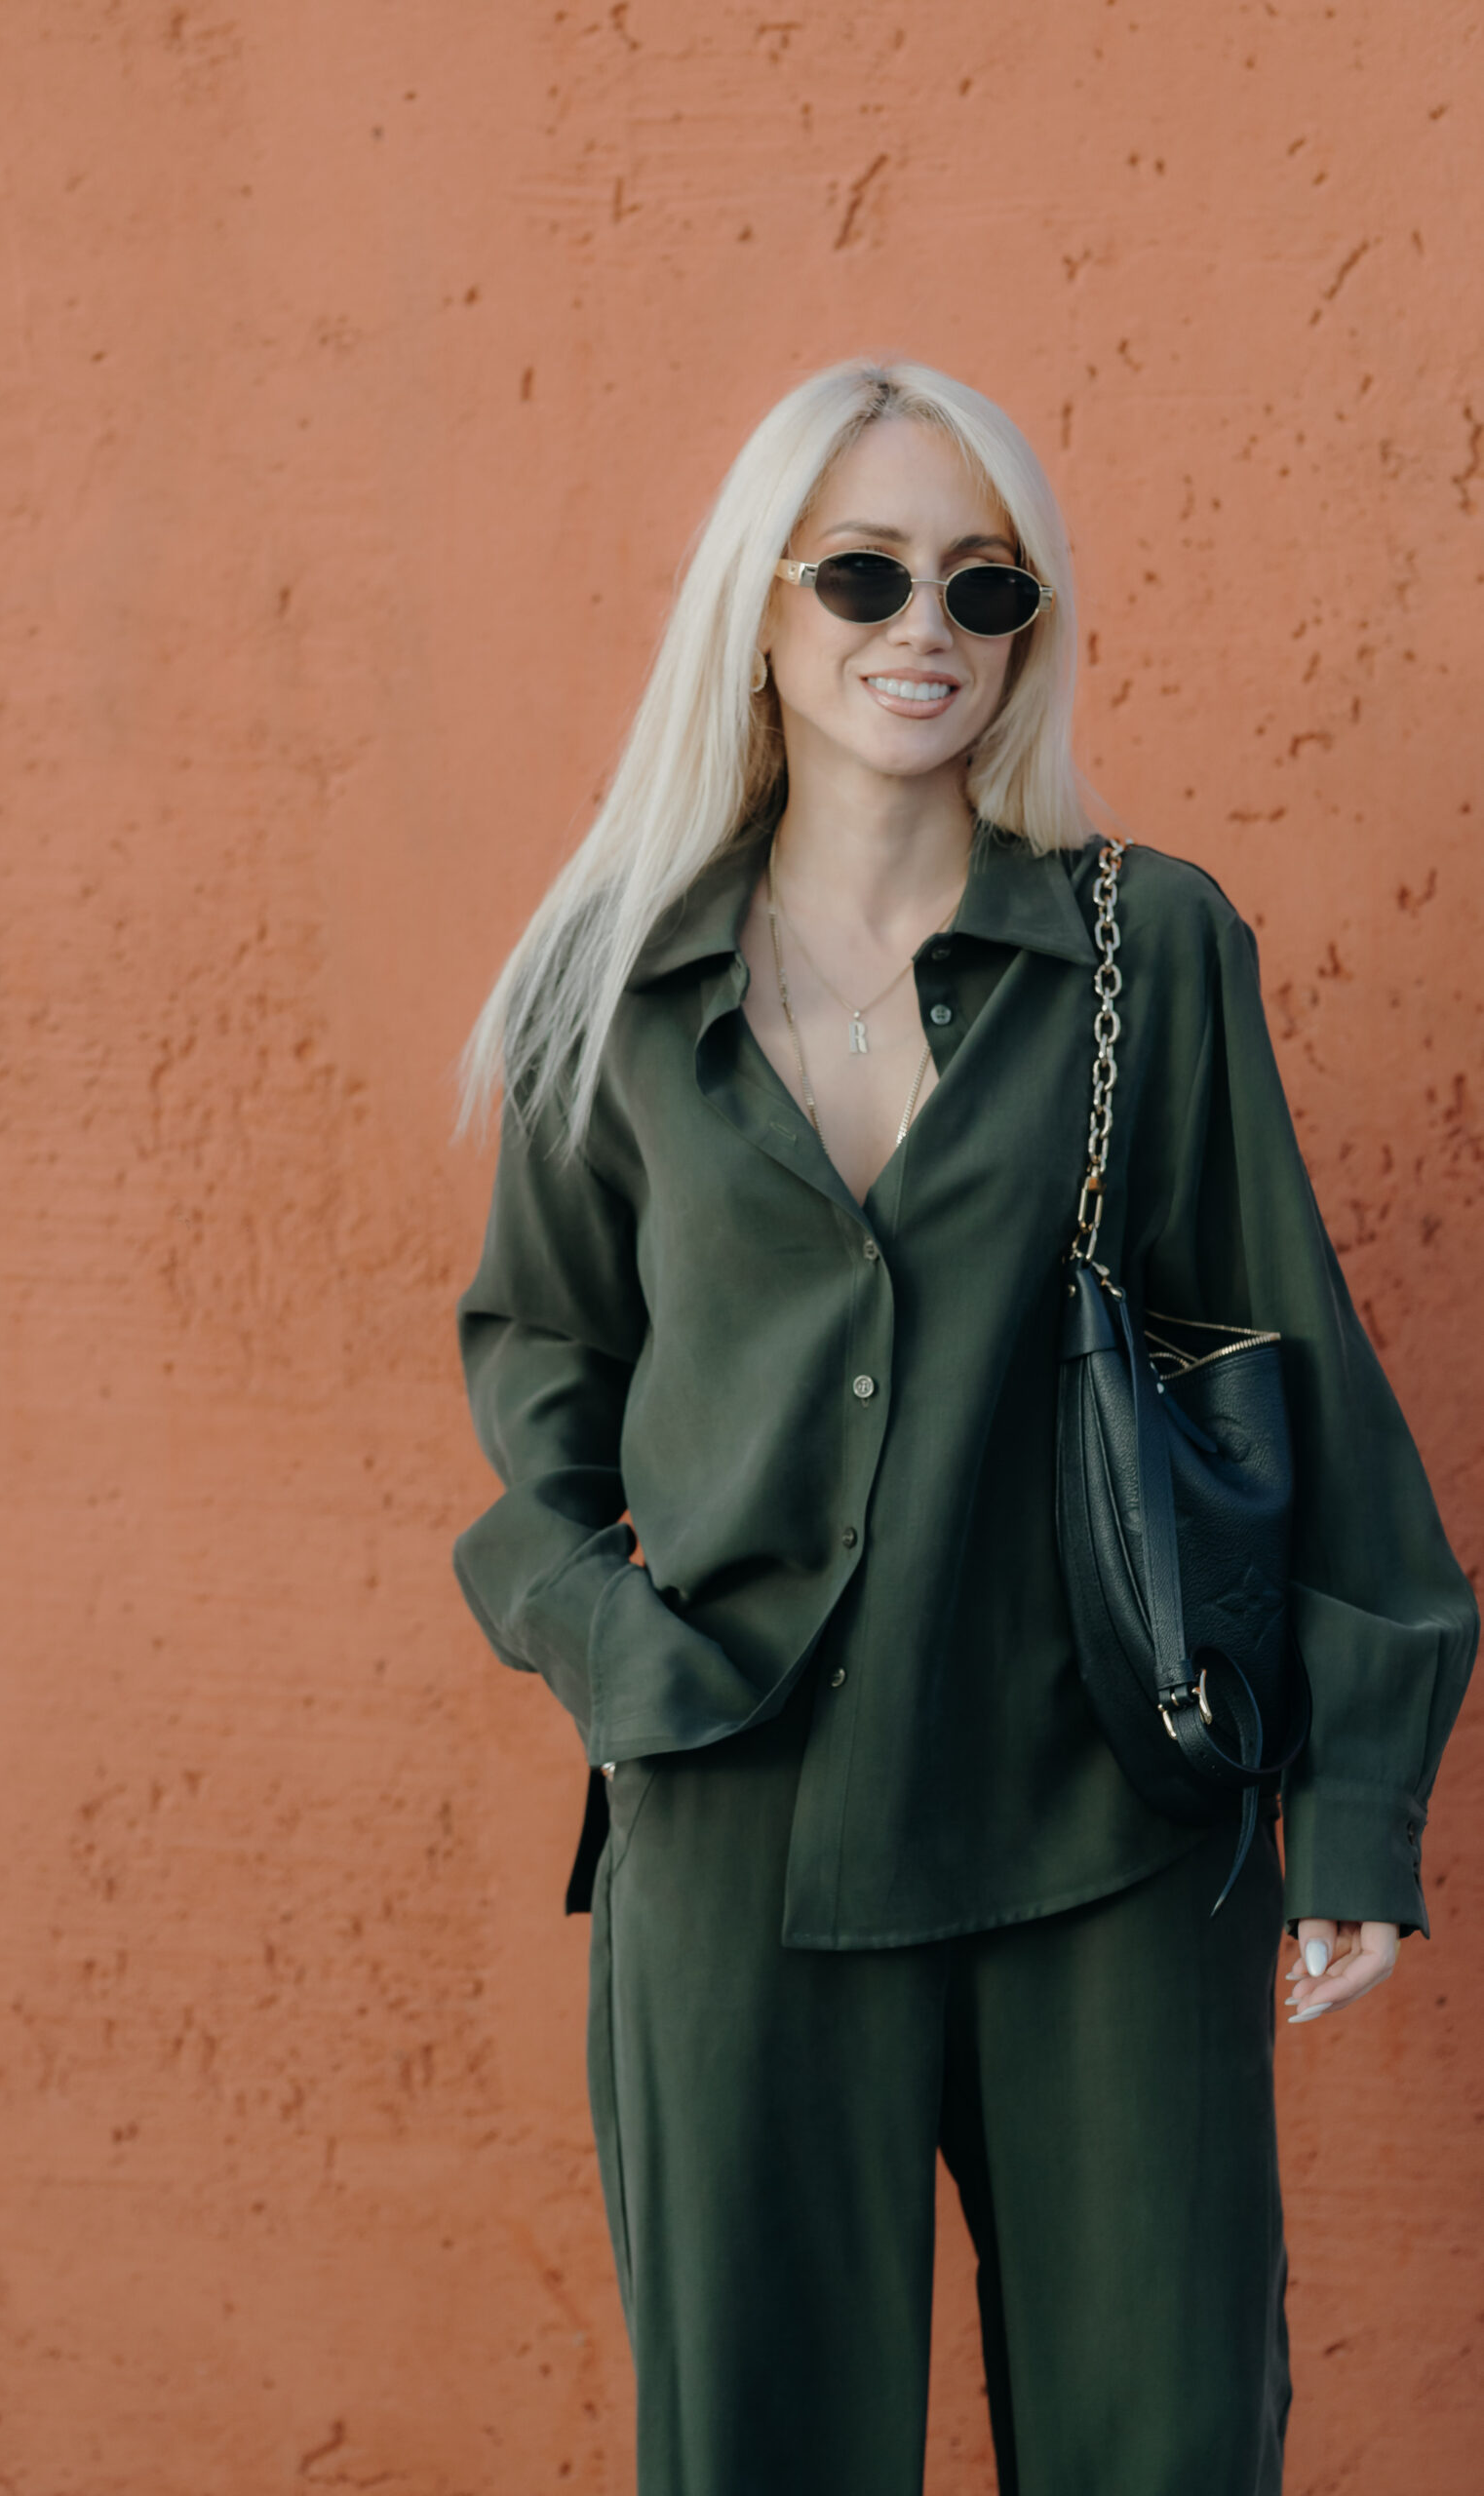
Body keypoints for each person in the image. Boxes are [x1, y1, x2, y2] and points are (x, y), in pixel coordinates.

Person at [449, 359, 1476, 2496]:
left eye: (980, 585)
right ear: (760, 605)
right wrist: (615, 1653)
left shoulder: (1146, 950)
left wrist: (1359, 1800)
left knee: (1160, 2444)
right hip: (735, 1834)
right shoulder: (610, 982)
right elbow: (538, 1369)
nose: (921, 626)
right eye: (862, 573)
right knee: (758, 2447)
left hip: (1106, 1829)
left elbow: (1294, 1353)